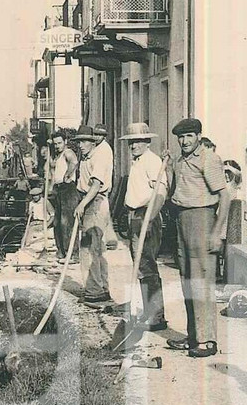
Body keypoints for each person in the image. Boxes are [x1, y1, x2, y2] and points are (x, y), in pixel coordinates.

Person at [166, 117, 230, 358]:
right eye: (181, 137)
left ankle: (207, 341)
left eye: (189, 136)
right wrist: (169, 165)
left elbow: (225, 197)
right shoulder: (181, 161)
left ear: (198, 136)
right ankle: (193, 336)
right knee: (187, 280)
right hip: (181, 219)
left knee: (202, 281)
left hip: (202, 220)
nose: (184, 141)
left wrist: (218, 233)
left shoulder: (209, 159)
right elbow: (177, 190)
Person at [121, 121, 171, 331]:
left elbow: (161, 193)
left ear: (147, 142)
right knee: (140, 267)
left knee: (147, 267)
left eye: (138, 141)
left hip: (146, 216)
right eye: (131, 142)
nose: (134, 146)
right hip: (134, 215)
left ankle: (156, 316)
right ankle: (149, 312)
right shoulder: (137, 161)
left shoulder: (152, 161)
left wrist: (150, 218)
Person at [73, 124, 114, 308]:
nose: (81, 145)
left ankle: (95, 292)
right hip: (88, 200)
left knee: (89, 249)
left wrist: (82, 205)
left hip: (94, 202)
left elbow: (96, 185)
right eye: (79, 142)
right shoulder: (86, 157)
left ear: (93, 142)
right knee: (95, 248)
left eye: (85, 141)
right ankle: (100, 288)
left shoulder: (99, 157)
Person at [47, 128, 79, 263]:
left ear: (65, 142)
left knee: (67, 222)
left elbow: (74, 162)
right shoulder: (57, 155)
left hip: (68, 189)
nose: (57, 146)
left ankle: (73, 254)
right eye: (55, 144)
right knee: (57, 222)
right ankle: (61, 251)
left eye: (59, 143)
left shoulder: (68, 152)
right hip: (58, 189)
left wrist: (68, 174)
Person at [92, 124, 119, 249]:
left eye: (99, 135)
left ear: (103, 136)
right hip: (102, 186)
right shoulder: (98, 147)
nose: (96, 137)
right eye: (95, 134)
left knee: (101, 215)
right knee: (105, 214)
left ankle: (106, 240)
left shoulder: (103, 149)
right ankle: (111, 239)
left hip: (102, 186)